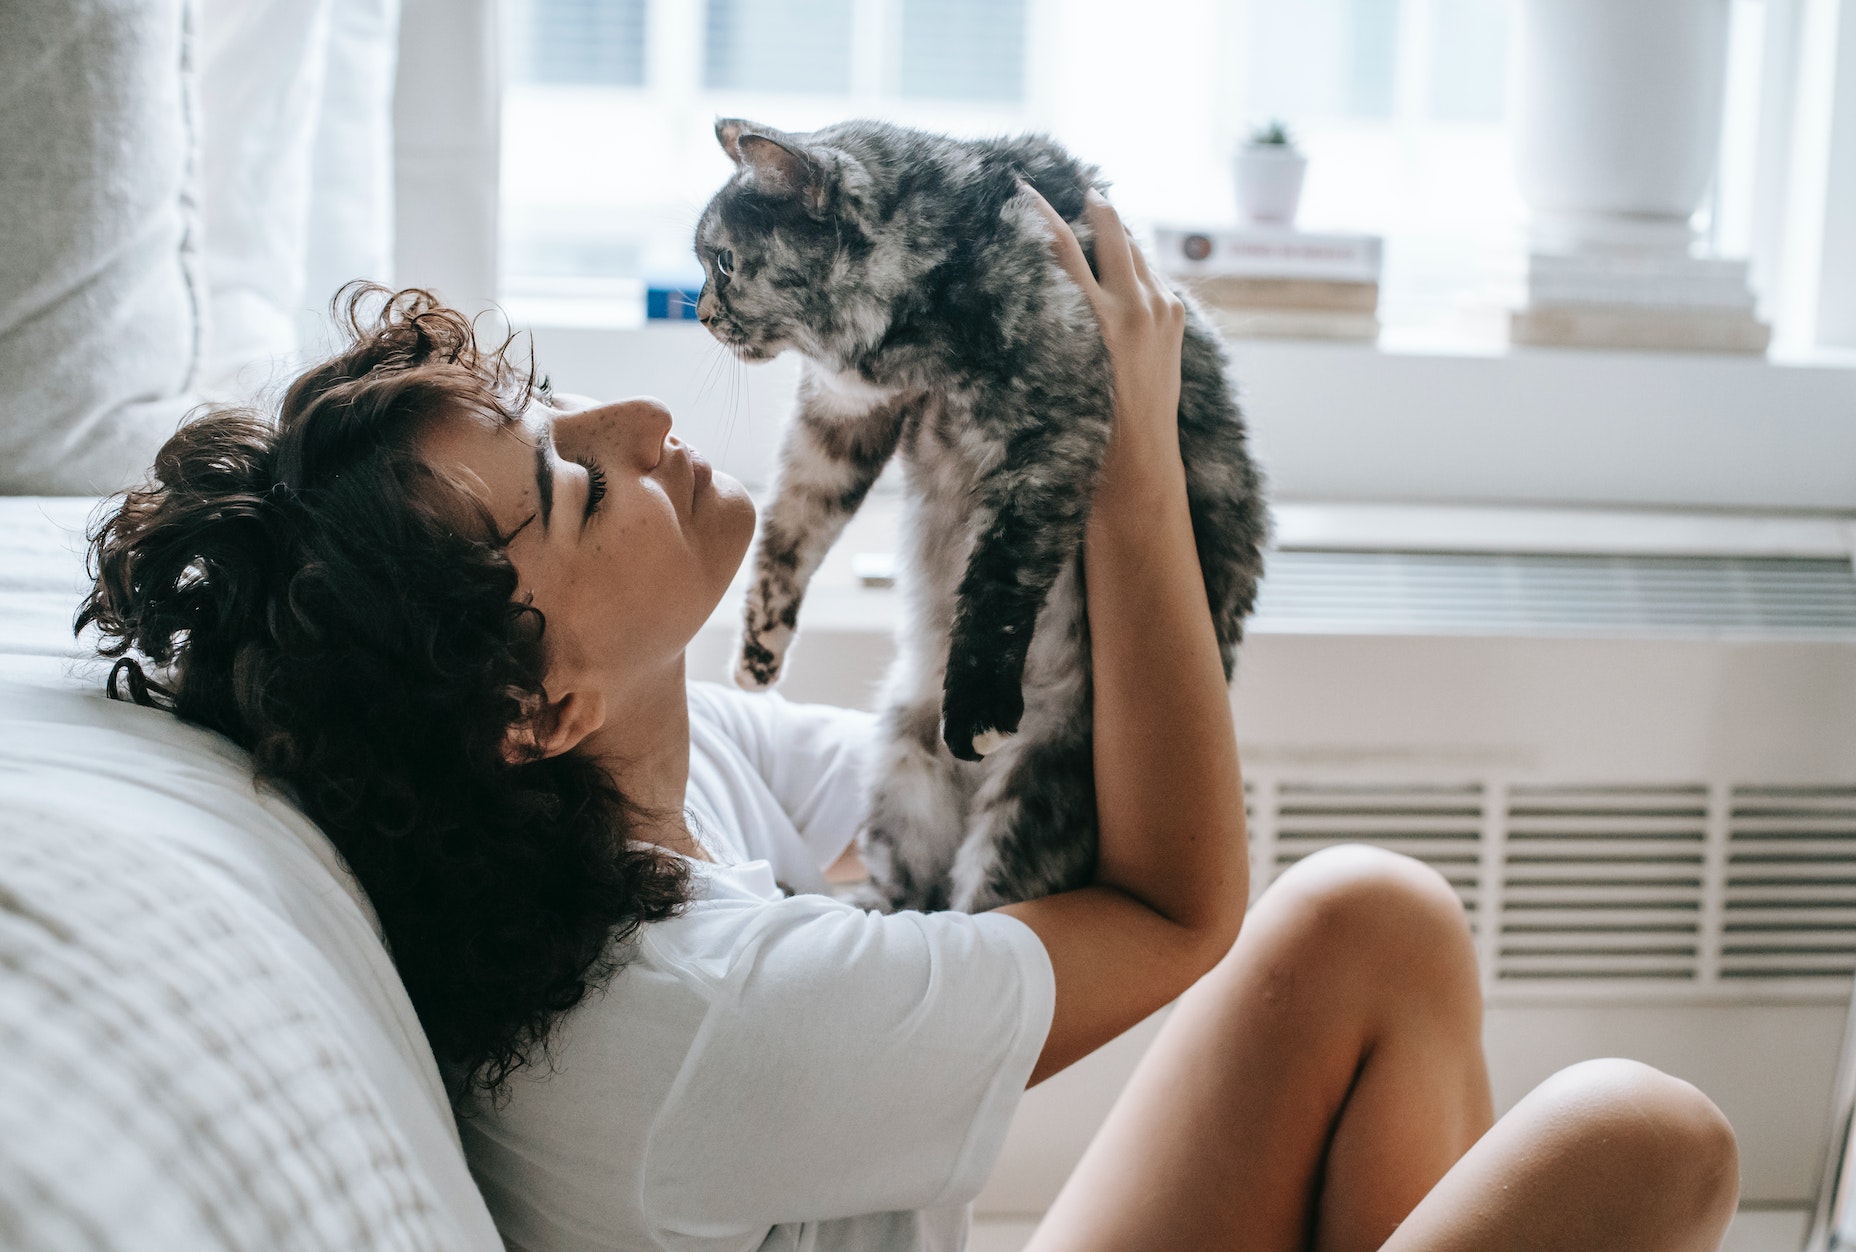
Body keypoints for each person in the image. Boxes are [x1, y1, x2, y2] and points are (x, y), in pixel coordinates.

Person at [79, 192, 1739, 1252]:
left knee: (1371, 923)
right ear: (535, 707)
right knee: (1642, 1139)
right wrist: (1122, 457)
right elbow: (1172, 907)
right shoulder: (699, 1016)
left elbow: (996, 803)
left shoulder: (646, 784)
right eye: (577, 484)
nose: (642, 418)